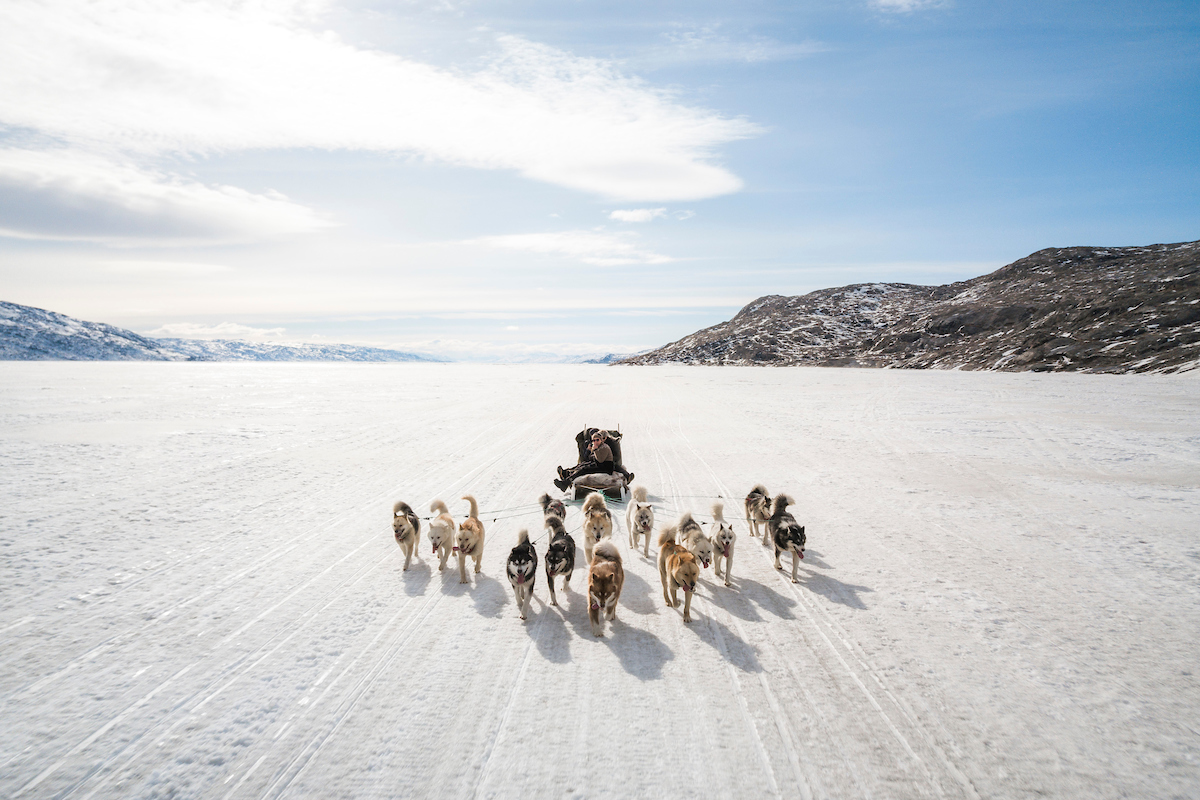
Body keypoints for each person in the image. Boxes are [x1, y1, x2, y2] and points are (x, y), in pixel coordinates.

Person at [554, 430, 628, 490]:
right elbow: (590, 458)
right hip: (599, 465)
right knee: (582, 466)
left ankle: (565, 484)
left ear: (601, 440)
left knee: (583, 470)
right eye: (594, 440)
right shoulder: (598, 446)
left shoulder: (604, 447)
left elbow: (600, 460)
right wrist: (590, 450)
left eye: (597, 440)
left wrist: (595, 450)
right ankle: (566, 477)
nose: (595, 442)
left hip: (606, 468)